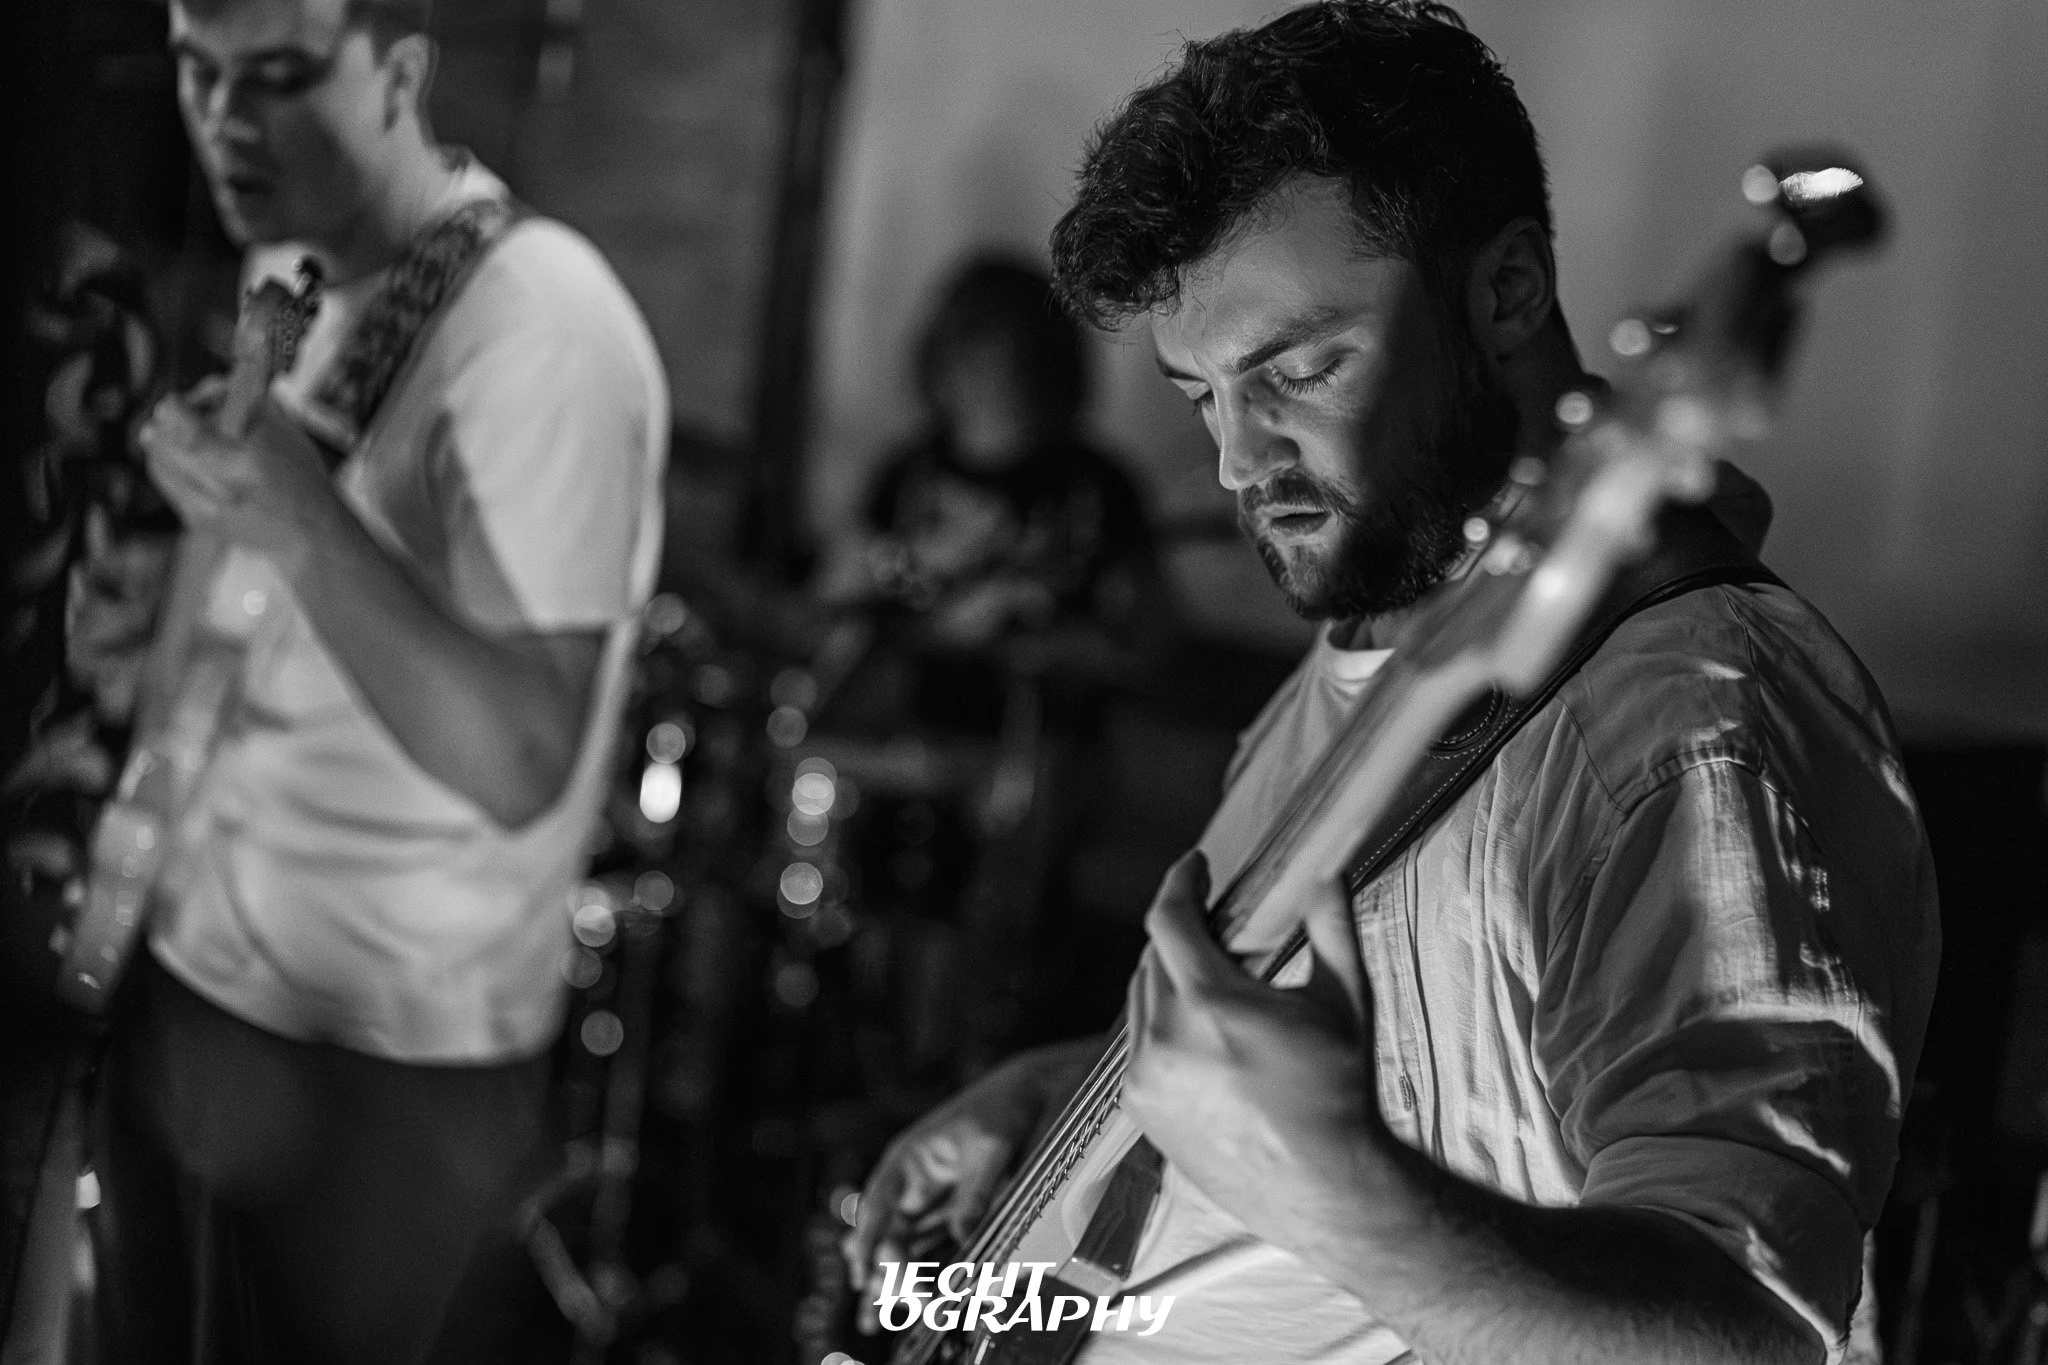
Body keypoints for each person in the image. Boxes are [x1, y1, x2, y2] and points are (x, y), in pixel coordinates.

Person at [843, 5, 1937, 1364]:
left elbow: (1743, 1325)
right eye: (1200, 396)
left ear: (1507, 291)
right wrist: (1077, 1098)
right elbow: (1419, 1087)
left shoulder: (1689, 727)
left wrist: (1340, 1199)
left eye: (1300, 369)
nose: (1239, 462)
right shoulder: (1371, 643)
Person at [70, 0, 668, 1358]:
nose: (225, 121)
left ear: (401, 73)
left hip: (373, 1069)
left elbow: (523, 756)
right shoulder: (294, 264)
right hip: (197, 974)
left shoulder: (544, 327)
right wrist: (151, 623)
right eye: (198, 72)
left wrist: (298, 516)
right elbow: (271, 585)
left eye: (279, 76)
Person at [819, 255, 1167, 738]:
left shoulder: (1097, 487)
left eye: (1007, 359)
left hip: (1050, 754)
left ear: (1046, 365)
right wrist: (909, 573)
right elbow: (834, 592)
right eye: (968, 353)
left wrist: (1040, 640)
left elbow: (1151, 641)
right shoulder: (908, 474)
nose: (984, 378)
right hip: (905, 744)